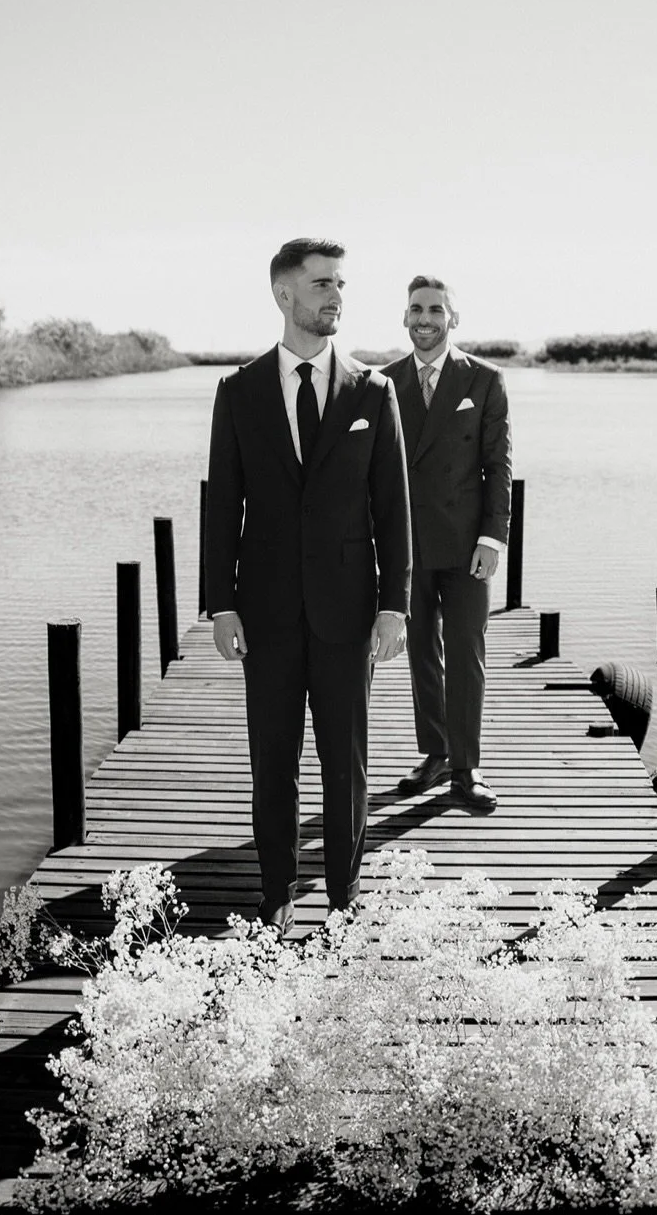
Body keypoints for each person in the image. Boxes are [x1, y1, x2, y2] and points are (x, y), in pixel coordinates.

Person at [205, 238, 412, 936]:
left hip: (349, 609)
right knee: (274, 761)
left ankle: (346, 891)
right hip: (264, 611)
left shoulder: (373, 390)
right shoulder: (238, 391)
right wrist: (222, 601)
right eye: (322, 283)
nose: (336, 296)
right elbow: (222, 503)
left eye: (342, 284)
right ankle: (276, 890)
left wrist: (395, 604)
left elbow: (394, 507)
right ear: (284, 294)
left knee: (345, 761)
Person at [382, 276, 512, 812]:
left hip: (465, 546)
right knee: (420, 654)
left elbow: (497, 467)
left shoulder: (483, 379)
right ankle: (434, 753)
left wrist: (493, 537)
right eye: (416, 309)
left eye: (435, 309)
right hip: (407, 546)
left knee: (466, 651)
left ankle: (466, 767)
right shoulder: (383, 382)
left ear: (452, 318)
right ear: (405, 317)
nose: (424, 318)